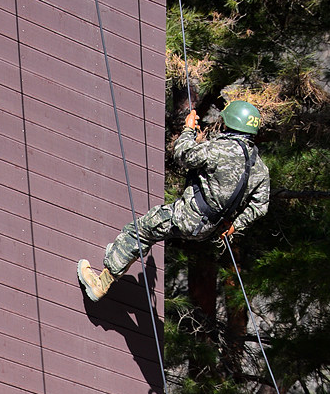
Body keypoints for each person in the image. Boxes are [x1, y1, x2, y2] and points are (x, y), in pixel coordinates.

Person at [77, 99, 270, 301]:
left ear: (230, 124)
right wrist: (234, 225)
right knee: (148, 231)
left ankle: (102, 282)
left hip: (188, 216)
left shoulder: (220, 149)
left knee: (140, 230)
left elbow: (183, 155)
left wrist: (187, 131)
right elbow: (260, 206)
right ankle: (121, 252)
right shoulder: (259, 167)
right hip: (209, 228)